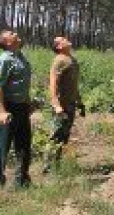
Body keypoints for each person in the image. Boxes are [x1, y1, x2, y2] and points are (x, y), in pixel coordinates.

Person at [0, 29, 33, 187]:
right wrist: (1, 111)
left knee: (24, 144)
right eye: (11, 33)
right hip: (8, 108)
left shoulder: (21, 57)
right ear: (7, 42)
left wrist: (28, 103)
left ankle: (22, 180)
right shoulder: (4, 60)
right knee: (3, 144)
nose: (15, 33)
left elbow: (23, 84)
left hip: (22, 107)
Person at [42, 35, 84, 173]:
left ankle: (56, 164)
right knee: (55, 135)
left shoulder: (72, 60)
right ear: (59, 46)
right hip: (61, 106)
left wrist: (79, 101)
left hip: (70, 104)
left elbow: (74, 84)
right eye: (63, 40)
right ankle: (48, 167)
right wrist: (56, 104)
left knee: (64, 136)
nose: (67, 39)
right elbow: (53, 84)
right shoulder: (59, 61)